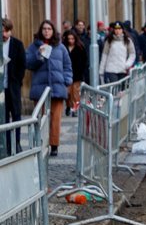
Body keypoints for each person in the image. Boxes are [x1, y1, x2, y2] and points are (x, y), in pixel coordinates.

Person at [26, 20, 72, 157]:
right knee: (40, 119)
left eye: (49, 29)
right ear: (41, 31)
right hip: (40, 89)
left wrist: (67, 80)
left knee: (55, 119)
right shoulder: (34, 47)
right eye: (44, 29)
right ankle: (40, 143)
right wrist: (38, 55)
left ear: (53, 31)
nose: (46, 31)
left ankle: (54, 145)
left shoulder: (60, 47)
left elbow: (67, 65)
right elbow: (28, 63)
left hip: (57, 88)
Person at [2, 19, 26, 153]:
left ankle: (16, 142)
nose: (4, 34)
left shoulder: (17, 44)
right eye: (2, 31)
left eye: (6, 31)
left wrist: (17, 80)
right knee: (3, 117)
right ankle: (6, 144)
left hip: (13, 86)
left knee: (16, 115)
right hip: (1, 88)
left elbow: (22, 65)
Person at [63, 30, 88, 116]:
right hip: (66, 74)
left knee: (75, 93)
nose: (70, 41)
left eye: (72, 39)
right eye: (69, 39)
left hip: (77, 74)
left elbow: (85, 60)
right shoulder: (64, 47)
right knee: (67, 93)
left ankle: (75, 109)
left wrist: (83, 71)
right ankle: (68, 106)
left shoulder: (80, 47)